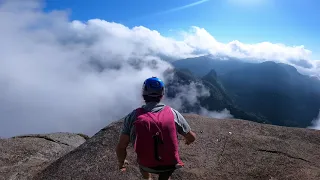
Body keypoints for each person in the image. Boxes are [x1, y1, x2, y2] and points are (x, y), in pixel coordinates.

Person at [116, 76, 196, 180]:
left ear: (143, 94)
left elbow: (121, 147)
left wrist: (121, 163)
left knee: (144, 168)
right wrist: (188, 141)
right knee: (166, 173)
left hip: (145, 164)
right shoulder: (173, 114)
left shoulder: (133, 116)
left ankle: (147, 178)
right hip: (169, 164)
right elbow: (192, 137)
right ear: (162, 95)